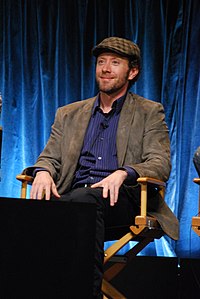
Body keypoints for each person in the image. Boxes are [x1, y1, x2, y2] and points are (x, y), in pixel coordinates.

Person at [22, 37, 179, 298]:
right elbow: (49, 157)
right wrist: (43, 171)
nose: (105, 68)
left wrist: (123, 172)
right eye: (101, 62)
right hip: (73, 198)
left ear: (132, 72)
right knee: (30, 212)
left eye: (115, 63)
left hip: (124, 201)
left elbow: (159, 163)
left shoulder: (149, 112)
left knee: (80, 203)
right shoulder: (69, 113)